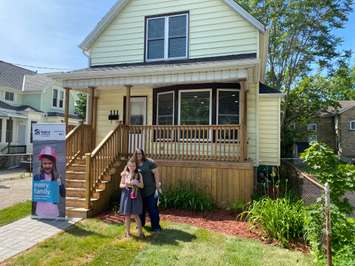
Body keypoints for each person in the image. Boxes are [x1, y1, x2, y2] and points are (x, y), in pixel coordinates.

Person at [132, 148, 162, 232]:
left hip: (150, 191)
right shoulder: (134, 163)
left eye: (140, 153)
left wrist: (157, 187)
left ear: (143, 154)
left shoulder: (150, 162)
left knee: (153, 209)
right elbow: (129, 171)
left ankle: (156, 227)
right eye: (137, 154)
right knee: (140, 210)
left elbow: (156, 174)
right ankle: (140, 225)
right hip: (139, 192)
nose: (138, 155)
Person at [33, 146, 65, 218]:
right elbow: (34, 196)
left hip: (54, 213)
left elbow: (63, 194)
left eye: (50, 163)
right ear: (41, 164)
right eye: (45, 163)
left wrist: (59, 183)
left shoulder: (56, 177)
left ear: (53, 164)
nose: (47, 166)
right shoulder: (37, 177)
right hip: (40, 213)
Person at [119, 159, 145, 238]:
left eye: (133, 166)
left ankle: (140, 233)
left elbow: (142, 185)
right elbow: (121, 185)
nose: (131, 167)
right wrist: (126, 185)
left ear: (135, 166)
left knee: (136, 214)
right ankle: (127, 233)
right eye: (130, 166)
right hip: (126, 194)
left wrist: (137, 183)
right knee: (127, 215)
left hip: (135, 194)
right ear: (127, 166)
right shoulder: (125, 174)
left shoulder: (138, 174)